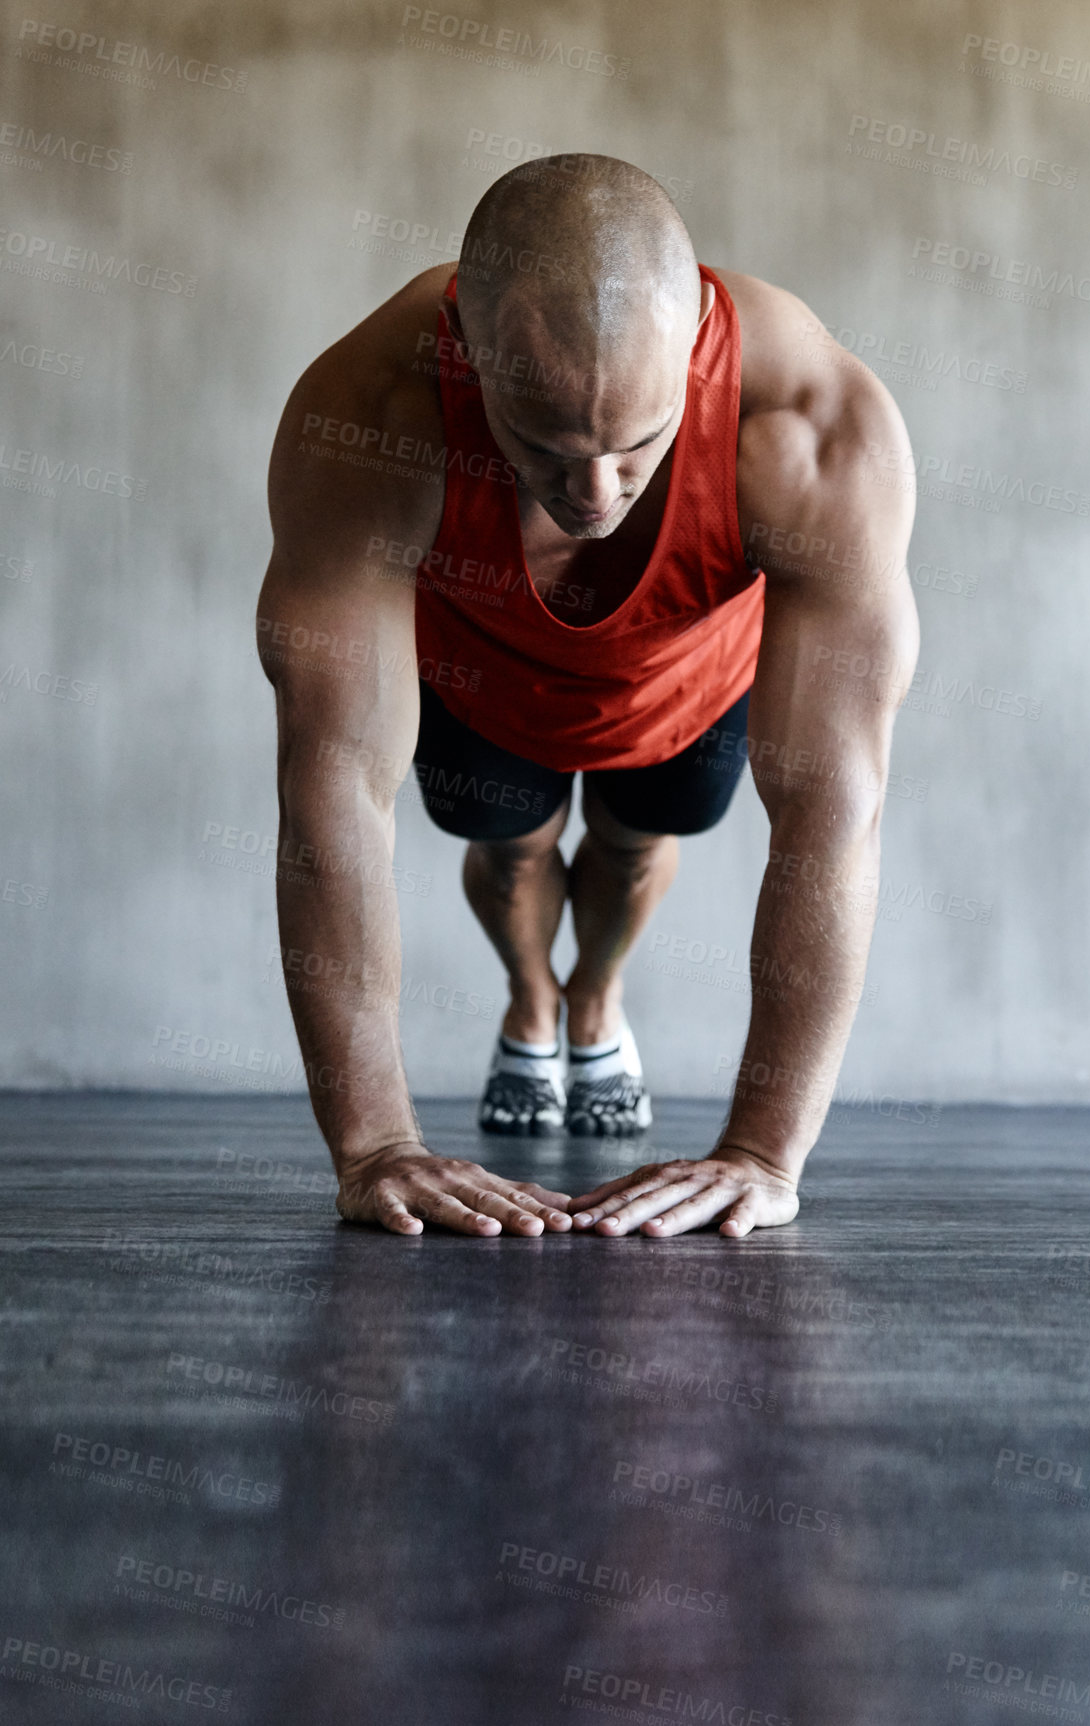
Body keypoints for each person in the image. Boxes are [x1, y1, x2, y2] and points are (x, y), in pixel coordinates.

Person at [256, 152, 918, 1240]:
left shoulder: (807, 424)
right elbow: (328, 785)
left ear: (696, 340)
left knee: (626, 844)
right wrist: (374, 1146)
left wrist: (762, 1152)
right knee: (512, 847)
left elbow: (832, 809)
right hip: (479, 673)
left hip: (688, 680)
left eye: (638, 445)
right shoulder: (371, 413)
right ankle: (531, 997)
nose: (593, 493)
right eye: (545, 448)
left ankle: (592, 1002)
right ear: (469, 350)